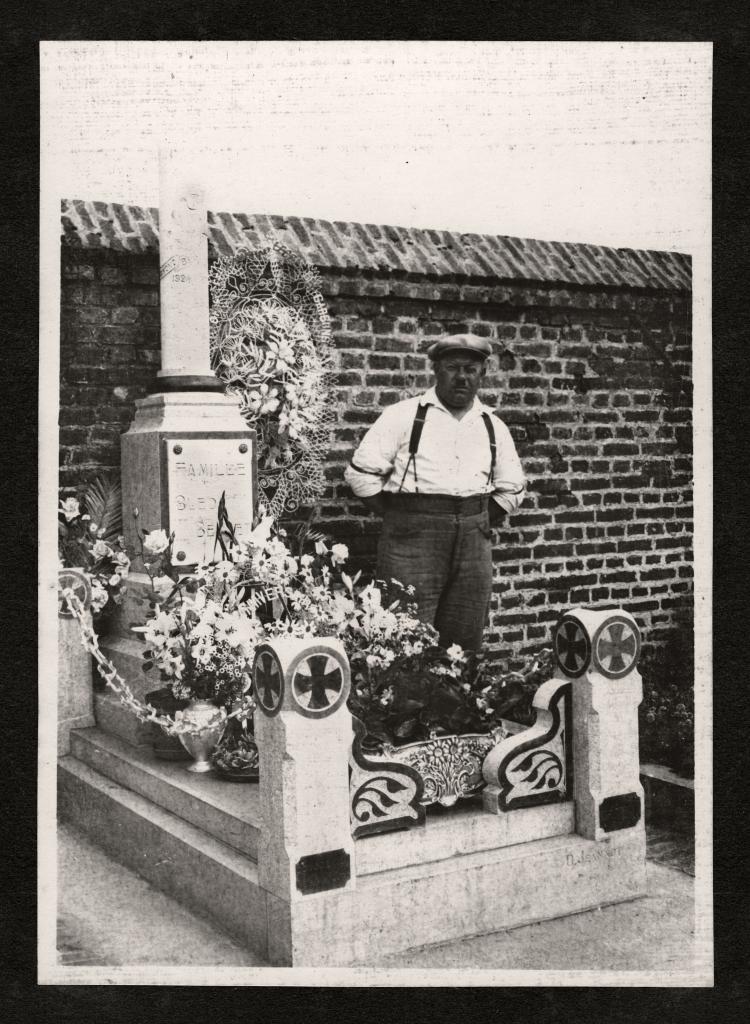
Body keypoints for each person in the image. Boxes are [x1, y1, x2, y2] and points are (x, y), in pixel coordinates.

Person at [344, 333, 526, 652]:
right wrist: (402, 516)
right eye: (452, 367)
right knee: (402, 636)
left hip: (473, 545)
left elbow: (512, 489)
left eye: (470, 369)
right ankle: (404, 702)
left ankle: (456, 702)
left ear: (483, 373)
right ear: (436, 370)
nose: (461, 377)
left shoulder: (492, 426)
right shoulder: (402, 416)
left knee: (464, 639)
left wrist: (474, 521)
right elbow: (361, 476)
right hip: (411, 543)